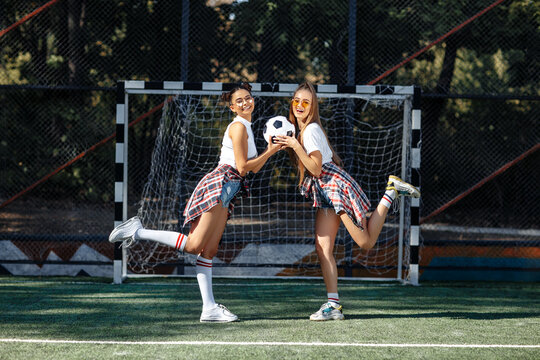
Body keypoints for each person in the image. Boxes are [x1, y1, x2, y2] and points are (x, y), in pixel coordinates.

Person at [109, 83, 282, 323]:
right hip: (221, 183)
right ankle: (137, 231)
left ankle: (209, 308)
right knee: (193, 245)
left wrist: (270, 150)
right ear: (232, 107)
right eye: (239, 100)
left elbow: (253, 166)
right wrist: (270, 151)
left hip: (230, 189)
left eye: (248, 98)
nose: (245, 102)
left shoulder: (247, 127)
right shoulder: (238, 127)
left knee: (209, 250)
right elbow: (242, 167)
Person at [274, 81, 420, 321]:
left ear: (312, 106)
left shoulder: (309, 131)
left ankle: (390, 192)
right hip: (324, 191)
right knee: (323, 249)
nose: (300, 105)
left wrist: (295, 146)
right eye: (296, 101)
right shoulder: (302, 131)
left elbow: (317, 167)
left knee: (364, 243)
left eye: (306, 102)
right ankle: (333, 305)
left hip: (334, 187)